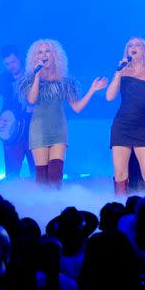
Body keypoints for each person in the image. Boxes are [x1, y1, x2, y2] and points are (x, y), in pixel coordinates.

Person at [17, 39, 107, 187]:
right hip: (39, 130)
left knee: (55, 175)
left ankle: (56, 207)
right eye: (40, 52)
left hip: (59, 129)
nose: (44, 55)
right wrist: (37, 76)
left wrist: (92, 90)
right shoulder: (30, 79)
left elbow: (77, 107)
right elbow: (31, 100)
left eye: (47, 51)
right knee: (42, 177)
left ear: (54, 55)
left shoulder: (65, 81)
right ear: (35, 57)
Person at [106, 37, 145, 195]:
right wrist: (118, 73)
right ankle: (120, 212)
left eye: (137, 45)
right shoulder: (123, 70)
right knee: (120, 175)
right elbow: (109, 96)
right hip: (121, 126)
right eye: (130, 45)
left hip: (143, 127)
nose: (132, 47)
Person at [0, 45, 35, 180]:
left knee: (37, 173)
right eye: (7, 64)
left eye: (13, 62)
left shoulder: (32, 77)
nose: (11, 66)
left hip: (33, 131)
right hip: (11, 134)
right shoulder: (2, 79)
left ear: (20, 58)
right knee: (12, 176)